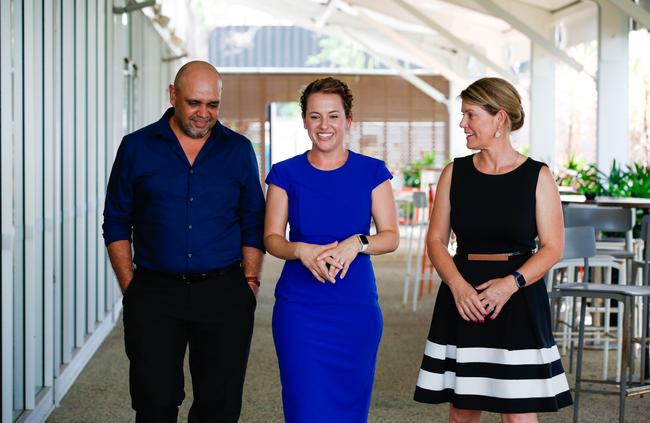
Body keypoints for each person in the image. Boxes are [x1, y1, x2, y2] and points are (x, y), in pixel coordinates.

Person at [102, 60, 265, 423]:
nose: (203, 114)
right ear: (173, 95)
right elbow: (115, 220)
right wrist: (132, 286)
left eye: (213, 105)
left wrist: (250, 281)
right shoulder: (136, 147)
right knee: (154, 403)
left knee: (219, 406)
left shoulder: (238, 150)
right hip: (155, 293)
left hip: (223, 291)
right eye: (194, 103)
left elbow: (252, 219)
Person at [413, 77, 572, 422]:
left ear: (499, 119)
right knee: (463, 411)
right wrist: (457, 287)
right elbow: (436, 241)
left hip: (518, 295)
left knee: (517, 413)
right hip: (463, 294)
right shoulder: (454, 173)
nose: (463, 124)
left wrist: (510, 283)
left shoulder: (537, 176)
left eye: (470, 115)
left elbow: (552, 247)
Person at [264, 77, 399, 422]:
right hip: (300, 309)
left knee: (351, 409)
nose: (324, 125)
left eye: (333, 116)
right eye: (315, 116)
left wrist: (358, 242)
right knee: (304, 405)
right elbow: (272, 239)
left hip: (354, 308)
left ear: (348, 120)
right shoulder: (285, 173)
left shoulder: (372, 172)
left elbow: (390, 236)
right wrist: (300, 251)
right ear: (305, 120)